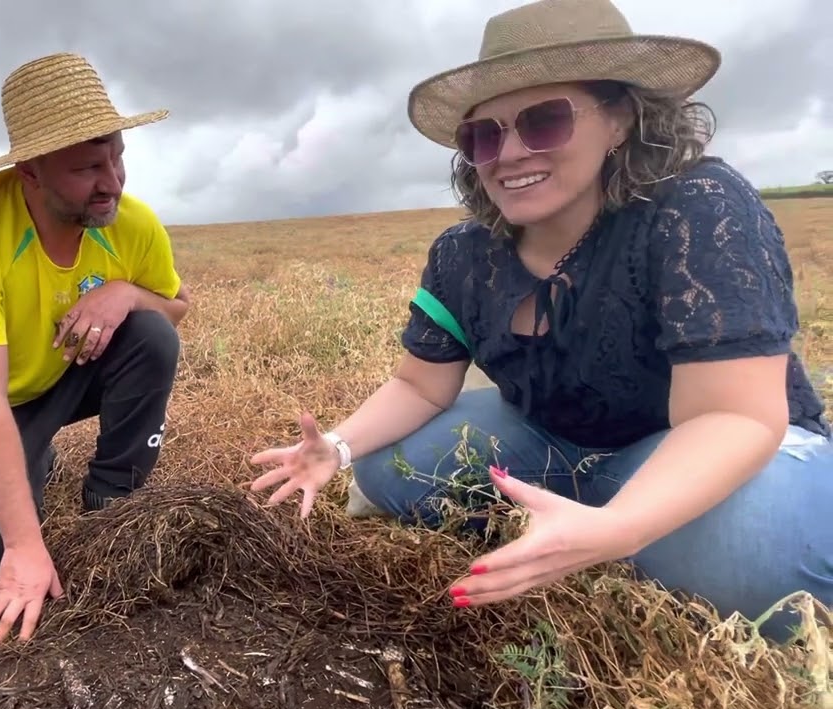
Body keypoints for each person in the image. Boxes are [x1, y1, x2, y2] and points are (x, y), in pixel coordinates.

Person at [248, 0, 832, 643]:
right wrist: (336, 447)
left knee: (760, 560)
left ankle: (609, 523)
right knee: (388, 473)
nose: (508, 152)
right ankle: (588, 516)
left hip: (703, 444)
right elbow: (420, 385)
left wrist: (621, 527)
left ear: (621, 118)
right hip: (554, 438)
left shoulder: (696, 208)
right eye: (483, 135)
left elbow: (733, 416)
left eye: (544, 120)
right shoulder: (462, 253)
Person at [0, 52, 189, 649]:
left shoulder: (133, 222)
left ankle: (112, 493)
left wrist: (126, 294)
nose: (112, 182)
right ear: (30, 172)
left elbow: (176, 308)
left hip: (73, 372)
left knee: (151, 333)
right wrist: (23, 547)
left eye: (117, 156)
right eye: (88, 167)